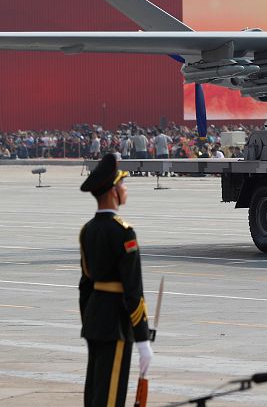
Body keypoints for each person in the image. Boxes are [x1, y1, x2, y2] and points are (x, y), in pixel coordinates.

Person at [79, 154, 153, 406]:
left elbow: (85, 286)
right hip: (116, 323)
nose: (125, 188)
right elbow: (133, 289)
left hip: (95, 320)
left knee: (95, 391)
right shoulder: (122, 232)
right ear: (113, 192)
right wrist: (142, 338)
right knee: (111, 395)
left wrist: (89, 319)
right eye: (122, 184)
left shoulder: (87, 230)